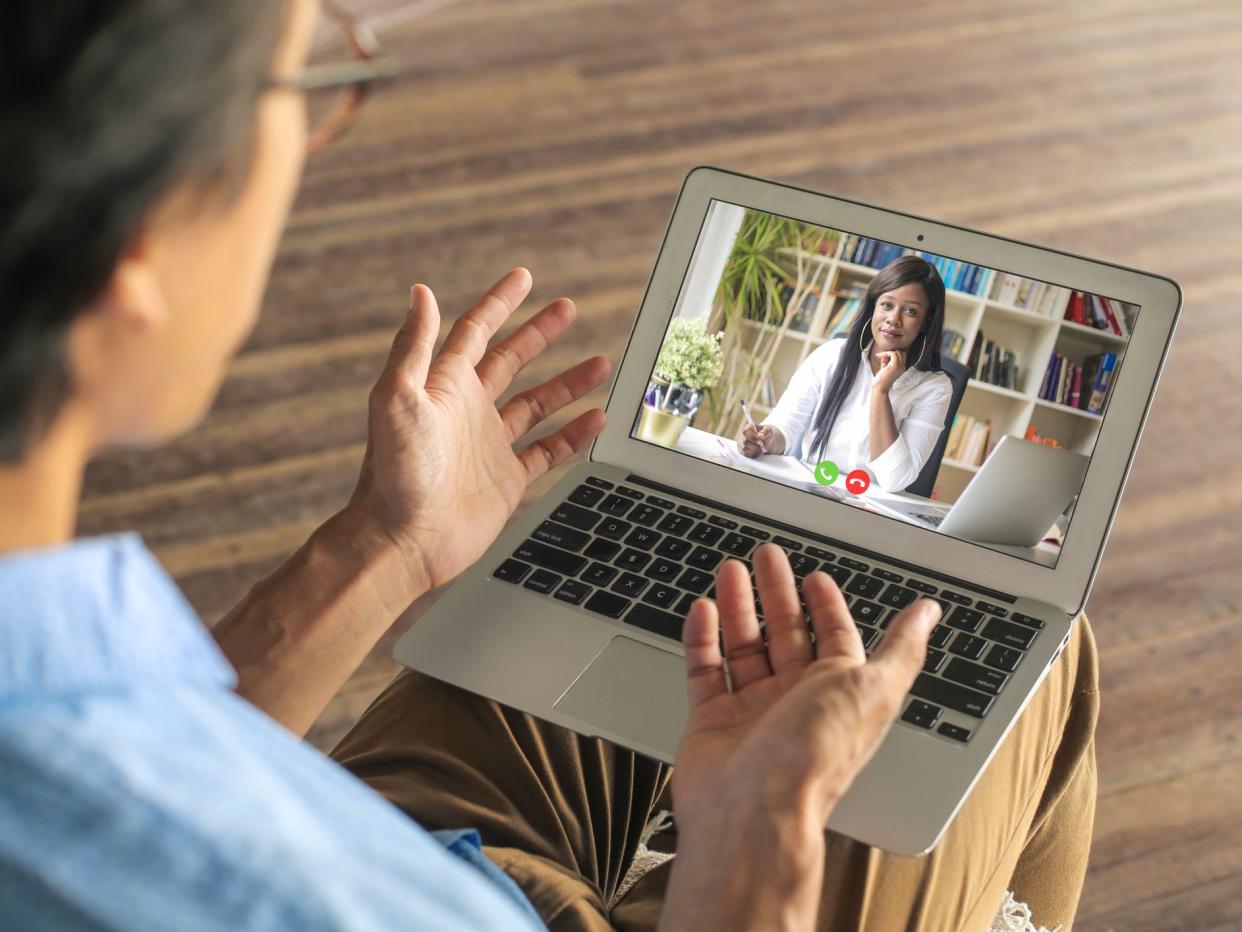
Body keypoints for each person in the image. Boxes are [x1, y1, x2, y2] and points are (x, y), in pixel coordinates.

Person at [0, 2, 1100, 930]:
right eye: (306, 80)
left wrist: (389, 541)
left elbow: (146, 754)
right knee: (1026, 648)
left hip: (403, 835)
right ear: (136, 250)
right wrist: (756, 846)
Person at [737, 256, 954, 495]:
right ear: (874, 306)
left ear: (926, 322)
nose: (894, 318)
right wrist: (763, 439)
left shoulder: (934, 387)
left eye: (911, 311)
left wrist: (881, 391)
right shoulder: (830, 355)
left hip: (870, 510)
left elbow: (895, 479)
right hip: (809, 491)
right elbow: (784, 429)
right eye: (887, 305)